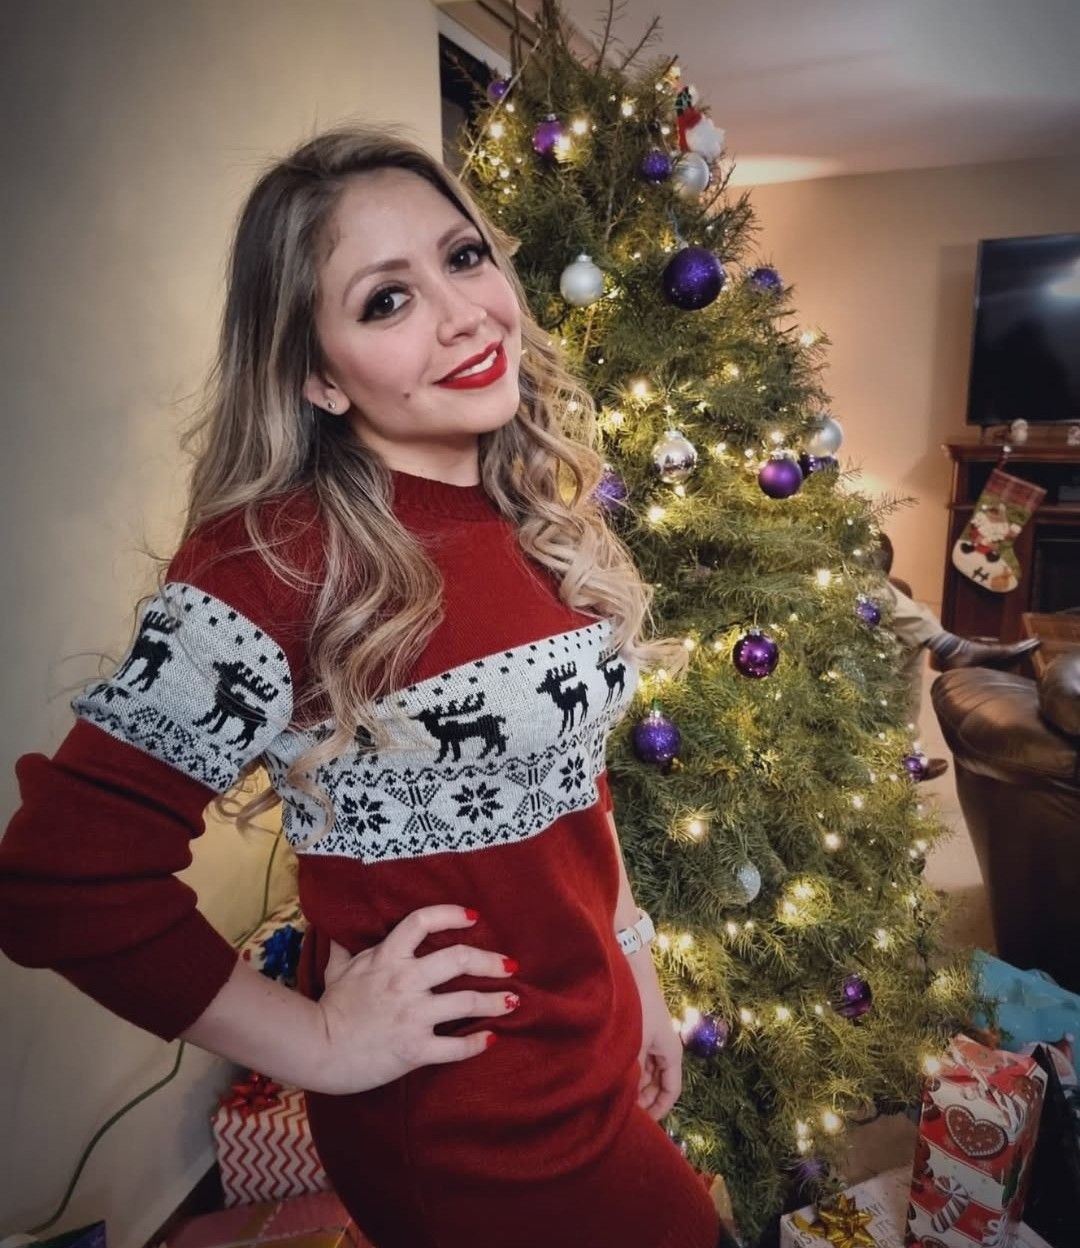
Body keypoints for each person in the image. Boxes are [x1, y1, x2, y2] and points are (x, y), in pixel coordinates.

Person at [0, 128, 728, 1248]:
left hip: (584, 1058)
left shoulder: (529, 505)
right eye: (387, 300)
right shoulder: (277, 560)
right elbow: (60, 880)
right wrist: (320, 1045)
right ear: (317, 375)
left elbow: (573, 779)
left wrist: (638, 978)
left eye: (463, 258)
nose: (464, 315)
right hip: (468, 1134)